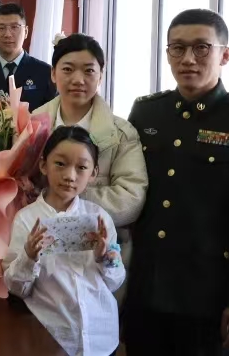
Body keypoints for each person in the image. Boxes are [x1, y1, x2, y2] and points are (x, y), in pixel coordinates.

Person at [124, 9, 229, 355]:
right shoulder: (147, 111)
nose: (188, 59)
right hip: (146, 286)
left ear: (224, 55)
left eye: (201, 48)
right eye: (177, 48)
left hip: (208, 295)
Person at [4, 125, 125, 356]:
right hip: (53, 340)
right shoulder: (27, 220)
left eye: (81, 167)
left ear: (93, 173)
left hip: (101, 338)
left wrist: (105, 258)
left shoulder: (99, 218)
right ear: (43, 165)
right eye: (60, 164)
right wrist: (29, 256)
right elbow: (17, 289)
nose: (70, 176)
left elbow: (115, 282)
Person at [33, 33, 147, 268]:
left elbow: (130, 199)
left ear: (101, 76)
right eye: (68, 69)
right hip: (38, 252)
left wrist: (65, 193)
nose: (78, 79)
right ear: (53, 73)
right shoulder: (30, 126)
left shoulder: (121, 133)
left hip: (97, 256)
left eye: (89, 71)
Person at [0, 3, 57, 111]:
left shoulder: (45, 72)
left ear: (26, 32)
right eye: (1, 28)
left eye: (14, 27)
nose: (8, 34)